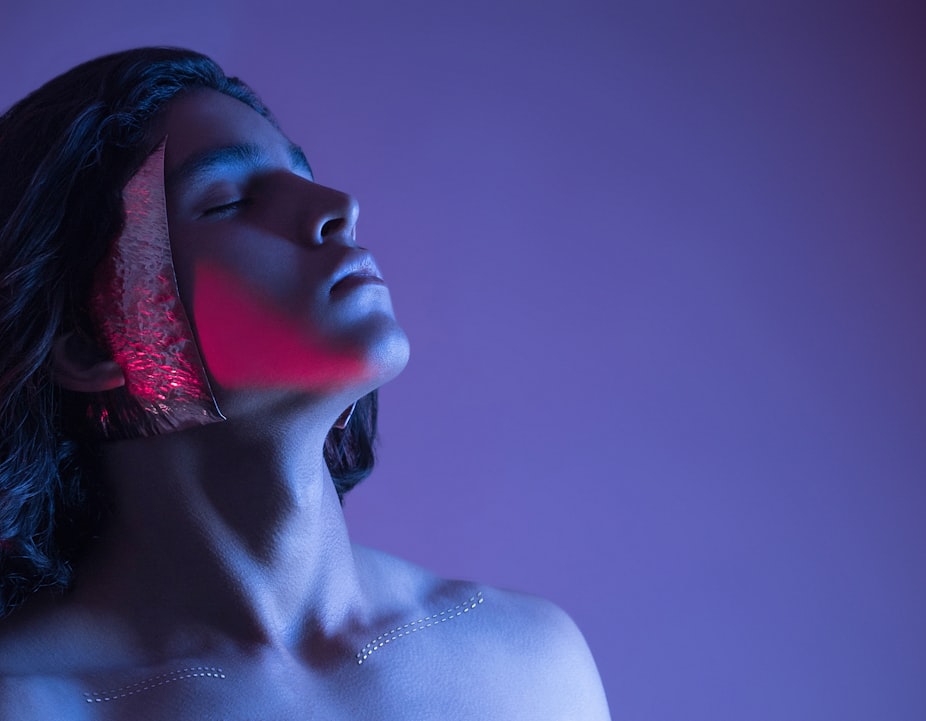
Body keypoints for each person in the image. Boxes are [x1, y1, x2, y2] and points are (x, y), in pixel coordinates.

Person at [0, 47, 609, 719]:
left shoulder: (526, 660)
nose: (339, 207)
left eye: (304, 174)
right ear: (89, 344)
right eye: (229, 201)